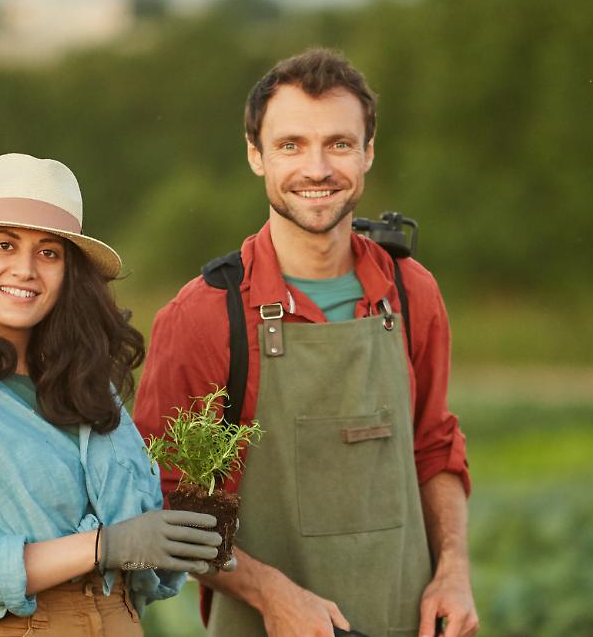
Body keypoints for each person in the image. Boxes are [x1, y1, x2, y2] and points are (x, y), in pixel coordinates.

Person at [134, 49, 478, 637]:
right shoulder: (205, 315)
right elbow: (164, 506)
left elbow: (434, 446)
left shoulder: (411, 293)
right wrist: (272, 595)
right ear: (255, 155)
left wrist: (454, 569)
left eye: (339, 144)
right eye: (291, 144)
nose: (317, 168)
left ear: (368, 153)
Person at [0, 153, 225, 636]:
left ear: (68, 270)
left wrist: (178, 542)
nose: (26, 269)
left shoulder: (87, 388)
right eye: (5, 245)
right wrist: (101, 546)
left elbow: (136, 556)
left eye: (48, 252)